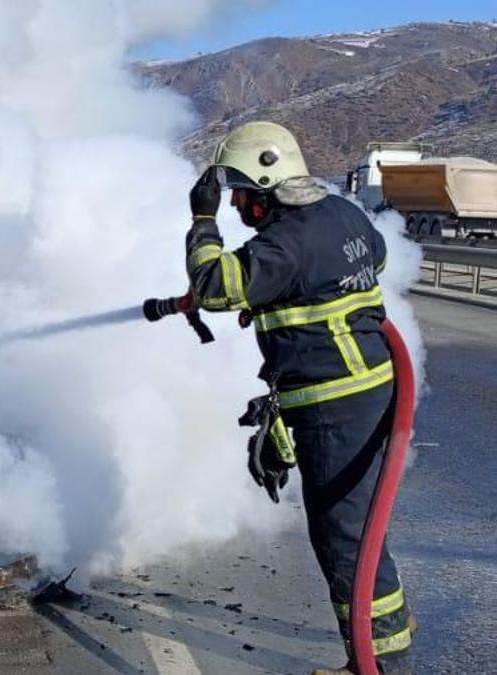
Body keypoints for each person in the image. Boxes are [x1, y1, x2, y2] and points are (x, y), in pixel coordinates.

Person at [184, 122, 413, 674]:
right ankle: (380, 651)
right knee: (356, 529)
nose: (237, 202)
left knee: (346, 539)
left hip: (335, 405)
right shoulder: (342, 214)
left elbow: (215, 286)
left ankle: (380, 664)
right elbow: (373, 259)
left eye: (240, 192)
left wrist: (203, 220)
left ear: (266, 187)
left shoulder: (284, 243)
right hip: (367, 392)